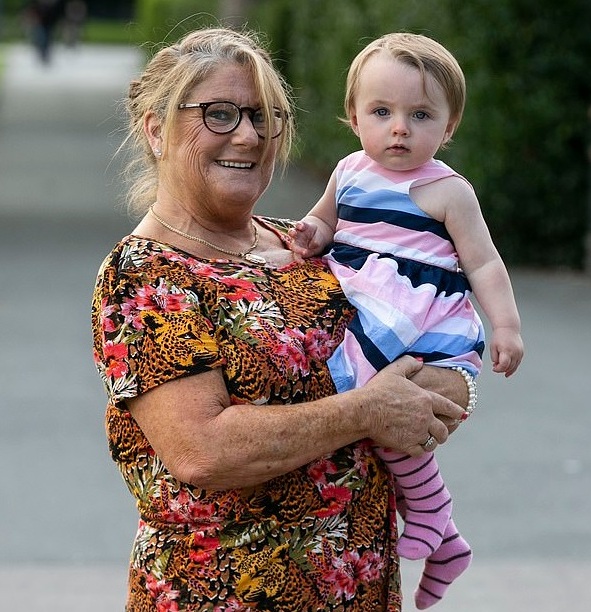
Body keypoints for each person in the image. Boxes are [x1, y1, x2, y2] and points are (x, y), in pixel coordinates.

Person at [91, 27, 473, 611]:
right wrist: (369, 410)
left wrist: (457, 382)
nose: (249, 134)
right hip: (225, 596)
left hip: (360, 591)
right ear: (155, 129)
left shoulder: (303, 242)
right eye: (219, 114)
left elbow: (425, 339)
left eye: (265, 115)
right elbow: (203, 451)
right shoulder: (143, 277)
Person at [289, 32, 524, 608]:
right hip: (367, 302)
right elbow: (324, 222)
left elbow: (485, 264)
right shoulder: (348, 171)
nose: (400, 128)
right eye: (382, 111)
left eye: (420, 115)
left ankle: (430, 511)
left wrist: (507, 327)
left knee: (380, 405)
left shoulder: (448, 191)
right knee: (373, 413)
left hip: (420, 317)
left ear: (449, 127)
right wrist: (311, 234)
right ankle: (443, 535)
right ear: (353, 117)